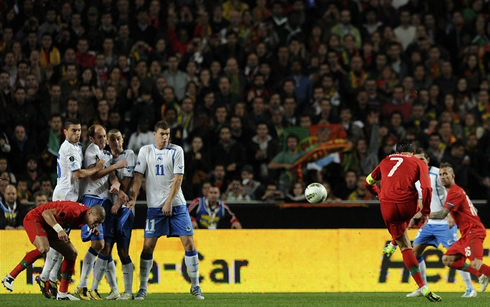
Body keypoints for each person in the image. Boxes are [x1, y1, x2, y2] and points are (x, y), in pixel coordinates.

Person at [127, 120, 204, 300]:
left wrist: (169, 202)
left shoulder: (177, 151)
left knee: (189, 244)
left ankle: (195, 286)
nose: (165, 137)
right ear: (154, 134)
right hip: (154, 208)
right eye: (162, 134)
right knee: (148, 246)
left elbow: (178, 179)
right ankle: (143, 288)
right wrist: (134, 198)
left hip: (177, 205)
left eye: (167, 134)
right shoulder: (146, 151)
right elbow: (138, 177)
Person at [384, 148, 477, 297]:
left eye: (421, 159)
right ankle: (423, 287)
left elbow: (451, 191)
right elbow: (420, 199)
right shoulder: (414, 177)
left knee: (454, 257)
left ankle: (470, 288)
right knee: (414, 253)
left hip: (444, 223)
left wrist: (453, 214)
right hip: (428, 223)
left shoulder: (437, 174)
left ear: (427, 160)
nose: (417, 162)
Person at [364, 139, 441, 302]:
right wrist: (426, 211)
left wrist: (378, 193)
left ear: (396, 151)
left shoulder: (385, 160)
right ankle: (393, 242)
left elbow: (368, 182)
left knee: (405, 246)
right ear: (412, 152)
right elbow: (427, 188)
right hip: (409, 206)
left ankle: (423, 286)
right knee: (410, 211)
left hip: (387, 206)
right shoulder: (417, 162)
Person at [37, 118, 105, 299]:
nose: (77, 133)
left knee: (63, 242)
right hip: (64, 197)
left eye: (79, 130)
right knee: (60, 241)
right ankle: (44, 276)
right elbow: (78, 174)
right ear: (65, 132)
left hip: (71, 197)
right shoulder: (68, 148)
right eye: (73, 130)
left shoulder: (78, 147)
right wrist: (96, 168)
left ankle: (51, 277)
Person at [2, 201, 106, 300]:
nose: (96, 224)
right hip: (36, 219)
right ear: (89, 213)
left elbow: (88, 220)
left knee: (72, 253)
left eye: (99, 223)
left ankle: (62, 294)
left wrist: (92, 227)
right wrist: (59, 230)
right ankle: (10, 277)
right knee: (44, 248)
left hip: (49, 226)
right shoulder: (74, 211)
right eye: (96, 221)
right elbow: (46, 213)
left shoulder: (86, 216)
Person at [76, 124, 128, 301]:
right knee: (98, 245)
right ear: (91, 139)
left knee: (106, 248)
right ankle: (82, 285)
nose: (104, 140)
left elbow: (109, 175)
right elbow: (95, 175)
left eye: (104, 136)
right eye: (99, 137)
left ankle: (113, 290)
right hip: (91, 199)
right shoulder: (91, 151)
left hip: (104, 200)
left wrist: (115, 183)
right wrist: (116, 167)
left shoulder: (105, 153)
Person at [88, 129, 136, 300]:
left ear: (123, 139)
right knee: (105, 248)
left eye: (118, 138)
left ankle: (128, 291)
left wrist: (117, 202)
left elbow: (127, 181)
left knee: (123, 251)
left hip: (124, 209)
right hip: (109, 209)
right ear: (107, 142)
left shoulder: (129, 154)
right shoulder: (106, 156)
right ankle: (95, 289)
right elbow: (112, 176)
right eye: (112, 139)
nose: (115, 142)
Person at [429, 162, 490, 293]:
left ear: (453, 175)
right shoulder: (455, 191)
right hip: (466, 233)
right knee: (448, 259)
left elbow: (441, 214)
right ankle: (481, 275)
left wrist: (423, 215)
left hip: (474, 231)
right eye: (440, 174)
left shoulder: (454, 192)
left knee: (476, 264)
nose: (442, 177)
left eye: (445, 174)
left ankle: (483, 273)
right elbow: (475, 210)